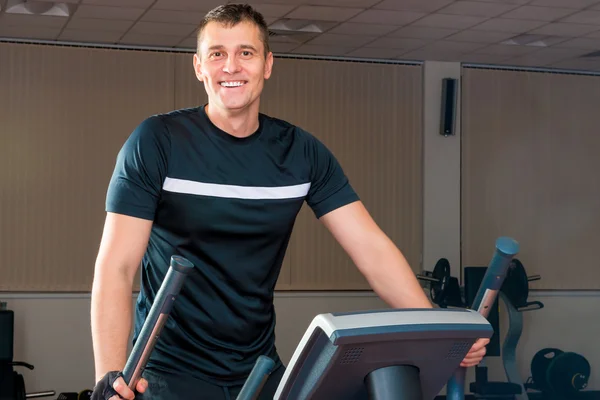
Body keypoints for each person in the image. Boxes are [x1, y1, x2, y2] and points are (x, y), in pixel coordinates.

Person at [90, 3, 489, 400]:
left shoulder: (301, 154)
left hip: (257, 365)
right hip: (168, 369)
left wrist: (438, 331)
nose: (231, 67)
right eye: (217, 54)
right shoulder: (157, 141)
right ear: (199, 67)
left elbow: (371, 249)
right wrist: (110, 374)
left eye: (245, 53)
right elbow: (117, 267)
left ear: (267, 64)